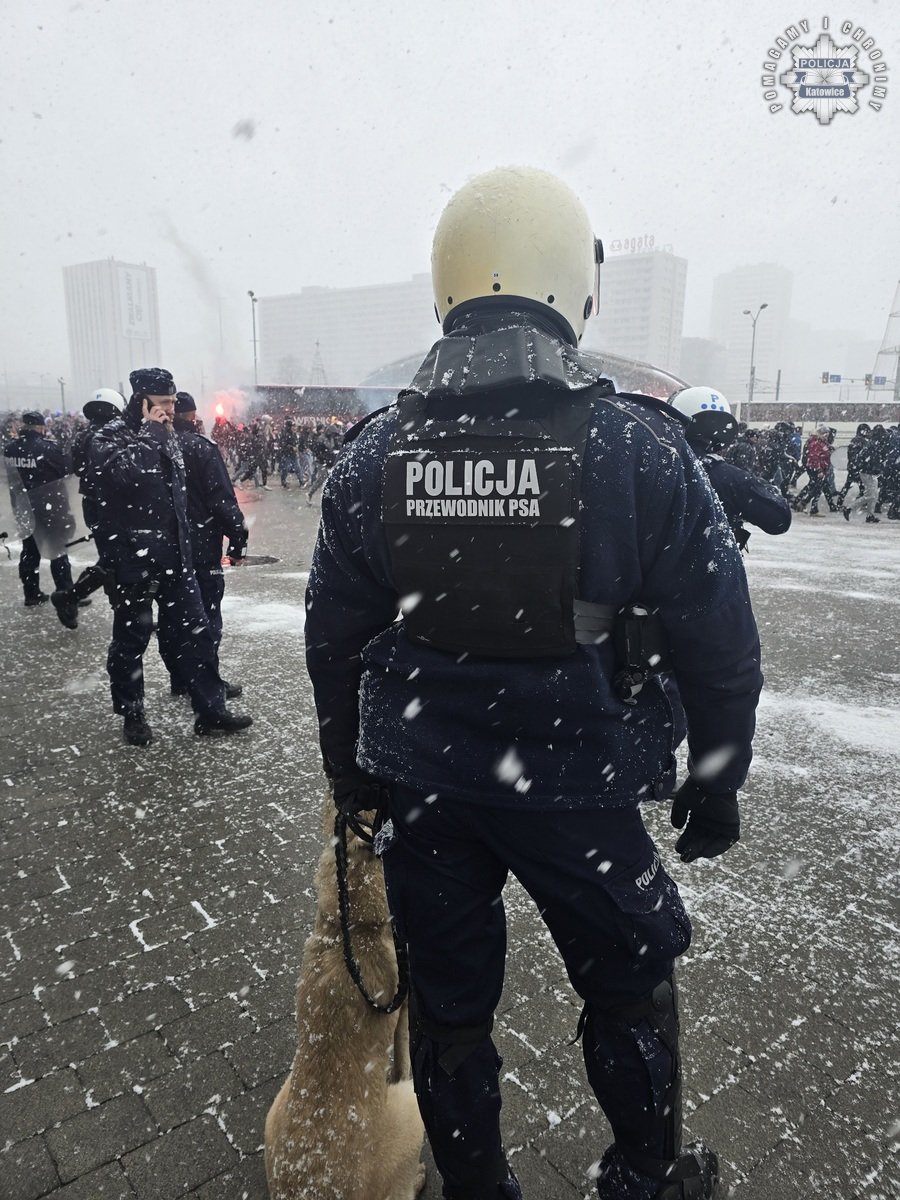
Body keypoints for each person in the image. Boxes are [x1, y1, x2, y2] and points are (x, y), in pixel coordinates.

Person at [304, 167, 762, 1200]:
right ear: (574, 289)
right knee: (630, 988)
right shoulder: (643, 451)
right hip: (581, 788)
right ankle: (645, 1176)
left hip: (428, 790)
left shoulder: (375, 455)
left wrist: (355, 783)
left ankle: (476, 1188)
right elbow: (721, 648)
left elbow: (333, 643)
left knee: (451, 1006)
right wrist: (718, 779)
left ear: (446, 289)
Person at [85, 367, 253, 746]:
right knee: (131, 640)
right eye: (163, 404)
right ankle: (132, 714)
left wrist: (188, 546)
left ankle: (210, 710)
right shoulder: (110, 437)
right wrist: (152, 434)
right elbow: (123, 478)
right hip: (132, 560)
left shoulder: (172, 435)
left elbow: (178, 499)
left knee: (198, 634)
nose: (170, 411)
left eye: (173, 403)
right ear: (141, 402)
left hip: (177, 558)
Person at [165, 390, 248, 697]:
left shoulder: (155, 445)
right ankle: (206, 683)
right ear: (194, 416)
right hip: (201, 550)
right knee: (206, 618)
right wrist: (237, 541)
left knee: (173, 616)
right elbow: (222, 501)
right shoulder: (201, 448)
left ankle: (179, 677)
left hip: (169, 551)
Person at [668, 387, 791, 551]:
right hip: (708, 571)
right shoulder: (726, 476)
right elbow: (779, 520)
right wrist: (763, 486)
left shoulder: (651, 465)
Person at [50, 387, 126, 629]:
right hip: (112, 504)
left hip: (95, 504)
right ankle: (71, 597)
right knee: (114, 561)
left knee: (113, 559)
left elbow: (77, 469)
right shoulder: (114, 434)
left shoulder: (83, 436)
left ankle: (121, 610)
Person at [3, 410, 76, 607]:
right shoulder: (48, 448)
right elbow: (67, 470)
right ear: (42, 427)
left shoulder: (10, 449)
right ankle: (66, 594)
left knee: (29, 551)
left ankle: (31, 593)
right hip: (49, 508)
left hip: (23, 507)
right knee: (58, 550)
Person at [842, 422, 884, 523]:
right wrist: (876, 469)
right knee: (871, 495)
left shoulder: (870, 443)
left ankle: (870, 515)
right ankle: (849, 508)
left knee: (873, 494)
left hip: (868, 472)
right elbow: (870, 459)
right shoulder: (872, 444)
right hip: (868, 473)